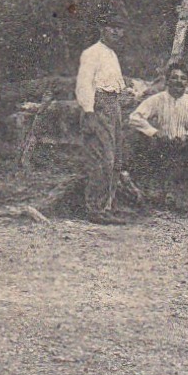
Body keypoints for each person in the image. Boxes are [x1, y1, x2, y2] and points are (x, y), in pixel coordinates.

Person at [128, 62, 188, 199]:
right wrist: (154, 132)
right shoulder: (157, 99)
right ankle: (145, 184)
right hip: (161, 145)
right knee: (138, 137)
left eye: (183, 78)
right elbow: (134, 117)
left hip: (183, 146)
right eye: (174, 78)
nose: (178, 82)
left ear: (187, 82)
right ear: (168, 80)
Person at [75, 23, 130, 224]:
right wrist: (89, 112)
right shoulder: (92, 53)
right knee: (101, 158)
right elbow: (84, 85)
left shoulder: (112, 55)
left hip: (113, 106)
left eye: (119, 28)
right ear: (102, 29)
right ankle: (95, 209)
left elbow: (114, 86)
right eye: (112, 27)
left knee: (115, 158)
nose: (116, 31)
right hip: (98, 107)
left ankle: (107, 206)